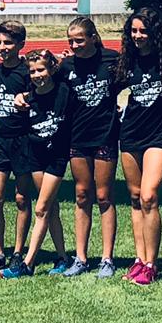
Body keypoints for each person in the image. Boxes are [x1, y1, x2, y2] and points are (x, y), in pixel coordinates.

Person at [55, 16, 121, 278]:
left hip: (105, 136)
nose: (74, 46)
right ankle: (80, 258)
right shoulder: (66, 65)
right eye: (70, 41)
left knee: (104, 196)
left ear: (93, 38)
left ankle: (106, 259)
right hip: (77, 138)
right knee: (82, 195)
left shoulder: (112, 59)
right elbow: (43, 81)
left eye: (79, 40)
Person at [2, 49, 73, 277]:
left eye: (41, 70)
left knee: (41, 209)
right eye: (32, 71)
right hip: (36, 156)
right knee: (51, 208)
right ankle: (62, 257)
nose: (37, 75)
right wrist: (19, 98)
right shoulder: (28, 99)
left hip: (56, 157)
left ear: (51, 69)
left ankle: (27, 263)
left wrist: (62, 59)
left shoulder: (64, 91)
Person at [117, 7, 162, 286]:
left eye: (143, 31)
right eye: (134, 30)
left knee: (149, 196)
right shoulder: (127, 59)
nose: (138, 36)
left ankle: (152, 263)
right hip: (130, 134)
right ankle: (139, 259)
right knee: (135, 196)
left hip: (159, 134)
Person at [0, 20, 35, 274]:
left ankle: (17, 252)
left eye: (8, 43)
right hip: (0, 141)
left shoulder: (28, 72)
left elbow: (48, 86)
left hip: (24, 141)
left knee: (21, 198)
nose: (2, 47)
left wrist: (27, 97)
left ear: (20, 45)